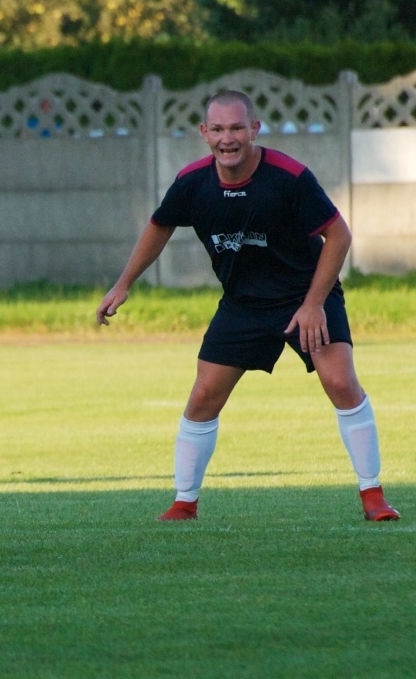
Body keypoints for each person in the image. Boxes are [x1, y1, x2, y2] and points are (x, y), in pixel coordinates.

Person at [96, 89, 399, 523]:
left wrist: (314, 304)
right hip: (243, 305)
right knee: (203, 396)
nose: (228, 138)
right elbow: (159, 225)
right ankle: (184, 502)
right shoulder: (192, 182)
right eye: (217, 129)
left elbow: (340, 236)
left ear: (254, 129)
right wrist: (123, 284)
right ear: (204, 133)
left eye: (237, 127)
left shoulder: (289, 177)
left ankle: (374, 497)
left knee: (340, 381)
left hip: (305, 295)